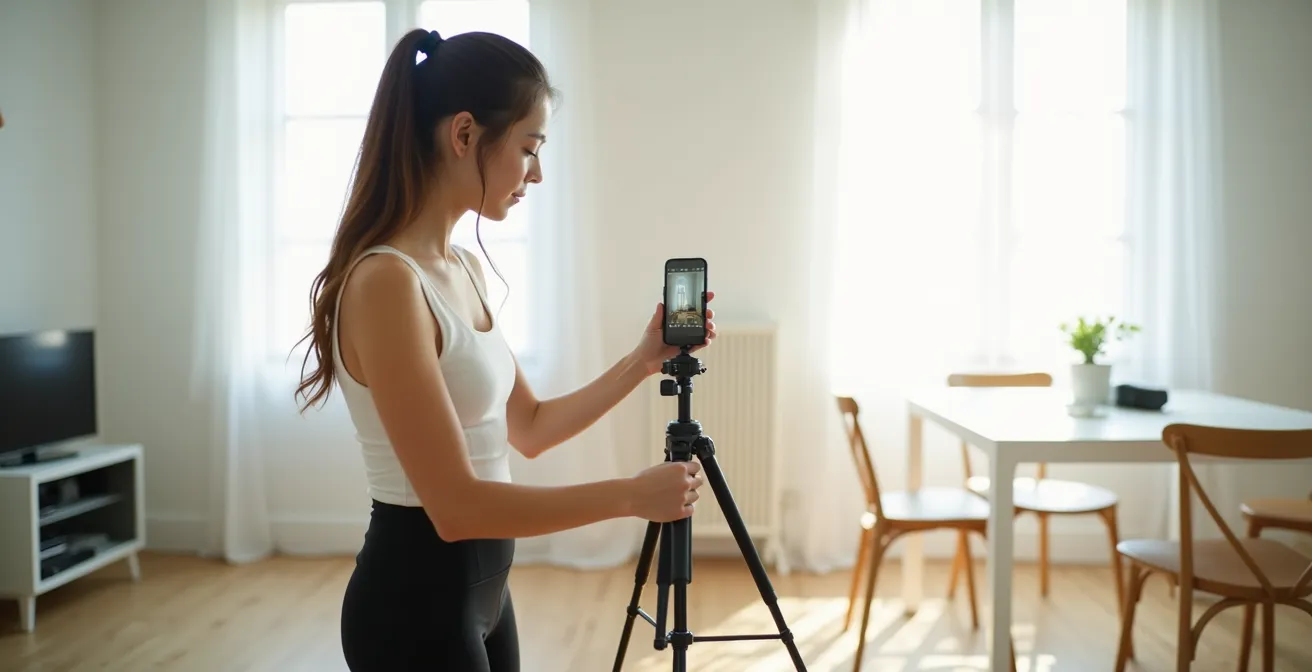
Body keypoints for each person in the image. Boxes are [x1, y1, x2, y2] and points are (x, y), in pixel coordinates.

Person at [293, 28, 716, 671]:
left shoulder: (461, 268)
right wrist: (631, 496)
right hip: (413, 606)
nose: (537, 174)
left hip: (485, 595)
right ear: (464, 135)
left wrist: (642, 359)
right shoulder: (386, 284)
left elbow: (532, 427)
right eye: (528, 147)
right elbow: (457, 508)